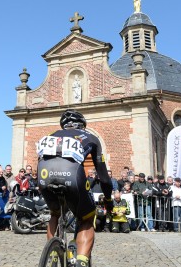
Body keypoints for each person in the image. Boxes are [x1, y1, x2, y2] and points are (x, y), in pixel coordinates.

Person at [37, 109, 113, 267]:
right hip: (71, 175)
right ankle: (81, 262)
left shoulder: (51, 134)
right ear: (82, 125)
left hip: (44, 175)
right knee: (86, 218)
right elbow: (104, 178)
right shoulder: (91, 137)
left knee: (55, 213)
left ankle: (53, 255)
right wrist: (107, 199)